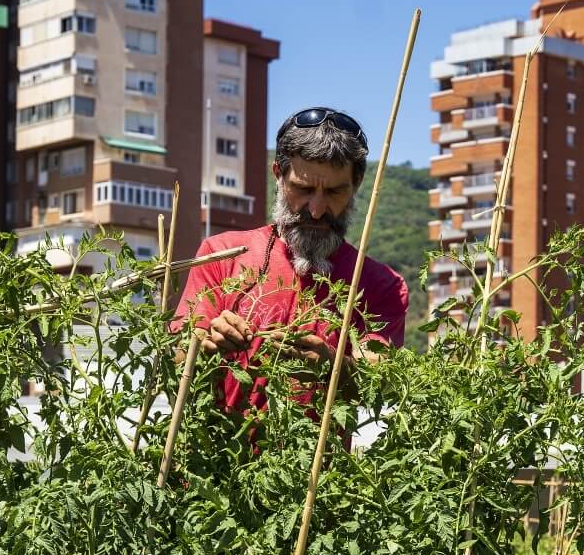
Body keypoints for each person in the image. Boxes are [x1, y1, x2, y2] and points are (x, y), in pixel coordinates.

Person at [174, 107, 410, 414]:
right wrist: (204, 343)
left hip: (320, 461)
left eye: (336, 192)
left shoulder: (382, 285)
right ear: (278, 175)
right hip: (217, 458)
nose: (316, 209)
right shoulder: (222, 255)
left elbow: (378, 387)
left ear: (358, 184)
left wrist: (333, 366)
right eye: (303, 189)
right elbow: (176, 363)